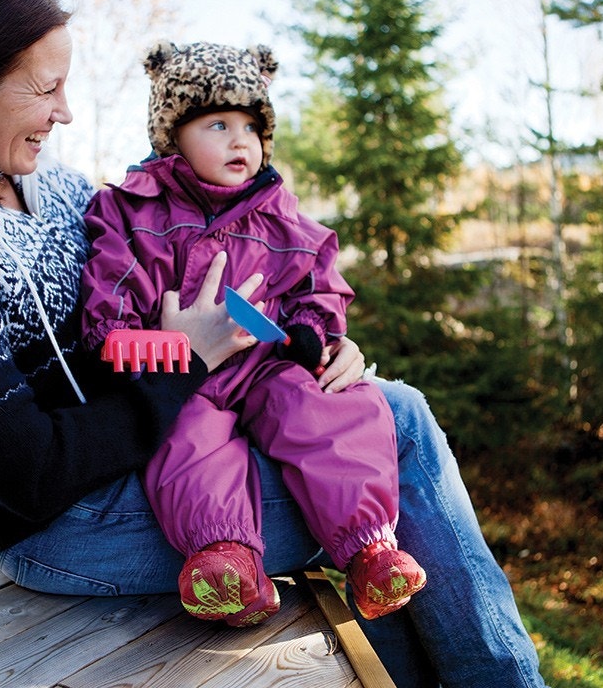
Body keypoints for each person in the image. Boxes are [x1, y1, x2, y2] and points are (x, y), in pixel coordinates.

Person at [0, 0, 547, 687]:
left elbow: (179, 244)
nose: (65, 112)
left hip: (149, 453)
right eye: (46, 88)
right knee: (402, 438)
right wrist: (187, 359)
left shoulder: (44, 185)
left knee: (373, 421)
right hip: (70, 523)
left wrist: (311, 339)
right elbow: (28, 476)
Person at [80, 40, 426, 628]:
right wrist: (173, 350)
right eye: (217, 123)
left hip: (267, 365)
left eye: (252, 125)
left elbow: (318, 289)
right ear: (172, 136)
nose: (241, 140)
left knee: (333, 411)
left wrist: (312, 333)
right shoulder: (130, 213)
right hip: (182, 375)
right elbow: (105, 325)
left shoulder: (282, 218)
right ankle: (225, 560)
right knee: (188, 438)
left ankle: (370, 548)